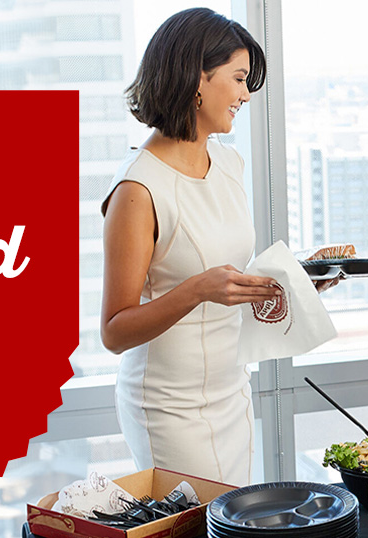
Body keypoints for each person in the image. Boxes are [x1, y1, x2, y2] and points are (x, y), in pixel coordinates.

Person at [99, 8, 276, 485]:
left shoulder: (228, 162)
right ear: (196, 77)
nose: (245, 94)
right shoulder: (138, 189)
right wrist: (197, 289)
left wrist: (287, 288)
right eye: (238, 78)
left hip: (230, 389)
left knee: (230, 537)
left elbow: (227, 280)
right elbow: (114, 332)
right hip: (169, 408)